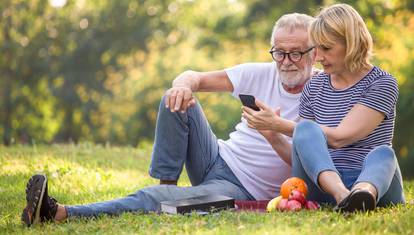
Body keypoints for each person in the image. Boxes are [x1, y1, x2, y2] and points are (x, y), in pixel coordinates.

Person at [21, 13, 316, 226]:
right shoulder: (260, 72)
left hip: (243, 189)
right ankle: (169, 187)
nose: (286, 62)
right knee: (175, 99)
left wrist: (271, 133)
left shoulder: (324, 94)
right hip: (216, 157)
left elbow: (307, 168)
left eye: (296, 53)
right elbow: (193, 76)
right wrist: (183, 86)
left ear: (313, 54)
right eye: (279, 52)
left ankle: (60, 213)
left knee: (152, 197)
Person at [243, 3, 405, 212]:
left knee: (383, 153)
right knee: (307, 129)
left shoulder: (381, 83)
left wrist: (279, 124)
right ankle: (344, 197)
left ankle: (362, 194)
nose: (317, 57)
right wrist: (273, 134)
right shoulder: (314, 86)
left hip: (377, 185)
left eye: (326, 48)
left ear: (352, 43)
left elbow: (340, 137)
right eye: (316, 48)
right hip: (323, 185)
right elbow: (303, 153)